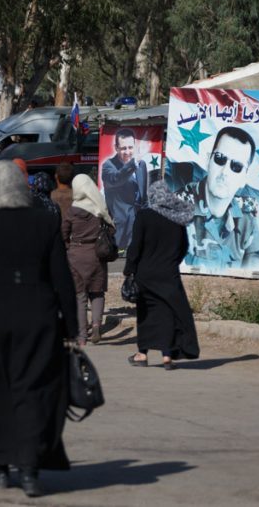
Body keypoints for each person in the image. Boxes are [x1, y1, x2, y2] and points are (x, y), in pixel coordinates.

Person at [0, 161, 78, 498]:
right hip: (37, 318)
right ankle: (29, 470)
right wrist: (71, 325)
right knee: (33, 390)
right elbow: (61, 279)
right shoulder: (44, 222)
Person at [126, 181, 201, 369]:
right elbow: (184, 247)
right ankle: (167, 356)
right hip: (169, 274)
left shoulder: (144, 216)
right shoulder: (176, 219)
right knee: (167, 313)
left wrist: (130, 270)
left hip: (145, 274)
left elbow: (135, 246)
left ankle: (142, 354)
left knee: (146, 313)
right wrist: (171, 263)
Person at [178, 126, 259, 269]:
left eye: (236, 166)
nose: (225, 172)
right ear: (208, 161)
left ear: (245, 178)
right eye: (220, 159)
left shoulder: (246, 219)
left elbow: (257, 272)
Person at [62, 174, 114, 346]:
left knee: (80, 296)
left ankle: (82, 337)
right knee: (97, 292)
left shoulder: (72, 211)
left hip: (76, 255)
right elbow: (112, 229)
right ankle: (97, 325)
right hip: (97, 255)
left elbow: (63, 234)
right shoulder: (100, 207)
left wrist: (70, 246)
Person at [101, 128, 148, 249]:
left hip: (139, 223)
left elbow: (143, 194)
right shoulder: (108, 166)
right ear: (116, 148)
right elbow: (116, 179)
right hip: (120, 228)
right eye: (123, 148)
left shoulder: (141, 165)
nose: (127, 152)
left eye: (130, 147)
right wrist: (132, 164)